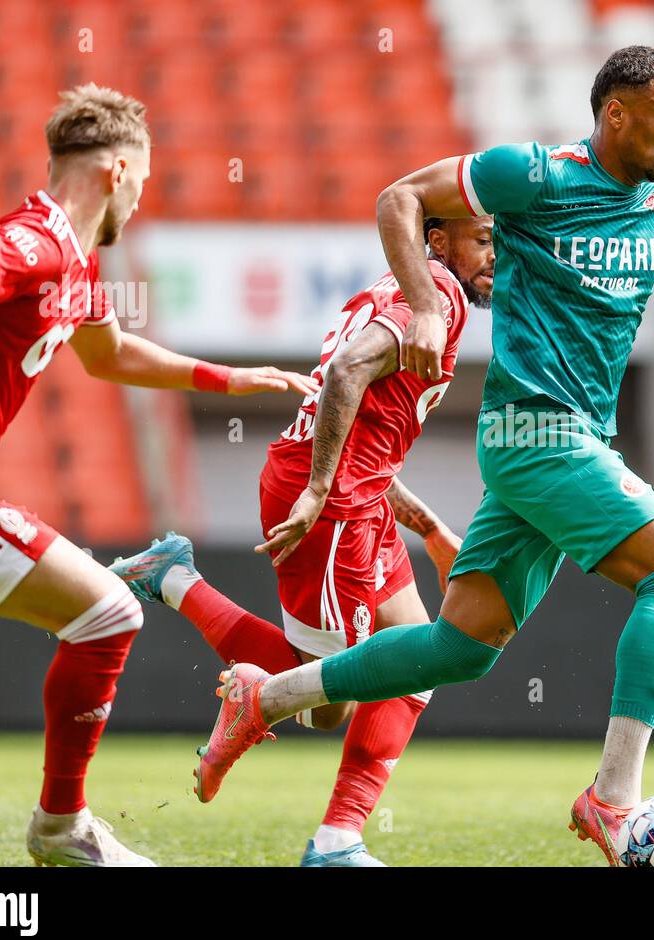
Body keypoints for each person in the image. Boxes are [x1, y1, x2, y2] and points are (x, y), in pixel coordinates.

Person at [193, 45, 654, 866]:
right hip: (538, 432)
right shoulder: (536, 176)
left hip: (571, 439)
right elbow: (399, 197)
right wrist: (430, 306)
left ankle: (266, 698)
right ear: (617, 113)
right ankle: (613, 799)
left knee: (458, 650)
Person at [0, 84, 317, 866]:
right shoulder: (37, 240)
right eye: (145, 182)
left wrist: (232, 379)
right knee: (110, 612)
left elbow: (112, 354)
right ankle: (62, 828)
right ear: (119, 171)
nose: (142, 200)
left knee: (104, 613)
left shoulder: (77, 269)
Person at [110, 215, 494, 865]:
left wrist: (427, 527)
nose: (497, 255)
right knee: (325, 703)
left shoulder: (407, 287)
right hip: (332, 504)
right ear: (436, 241)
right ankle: (176, 581)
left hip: (352, 496)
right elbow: (346, 371)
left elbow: (366, 436)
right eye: (484, 240)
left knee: (419, 662)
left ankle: (339, 839)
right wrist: (320, 492)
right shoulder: (439, 294)